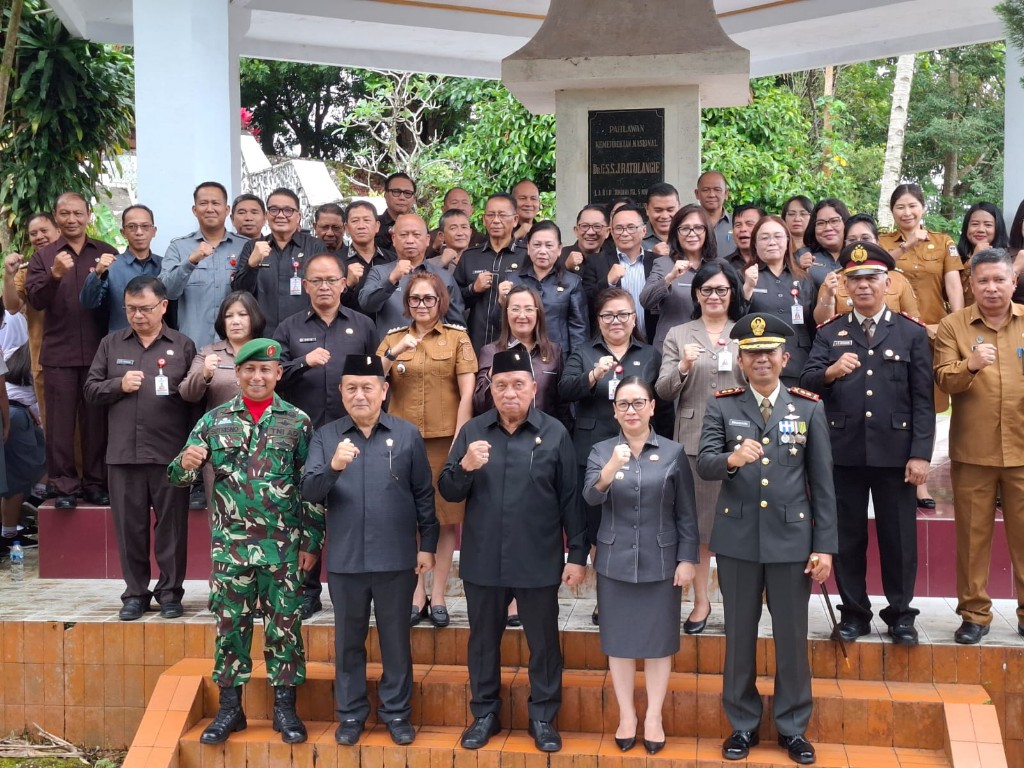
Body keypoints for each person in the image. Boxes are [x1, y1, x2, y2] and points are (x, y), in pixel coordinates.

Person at [168, 338, 325, 745]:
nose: (258, 377)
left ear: (277, 374)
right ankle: (229, 709)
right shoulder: (213, 421)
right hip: (231, 548)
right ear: (237, 374)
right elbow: (178, 477)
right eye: (249, 370)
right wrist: (184, 465)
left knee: (285, 627)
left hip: (282, 548)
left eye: (266, 370)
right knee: (229, 627)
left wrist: (311, 541)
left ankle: (285, 710)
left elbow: (311, 488)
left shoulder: (298, 422)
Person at [697, 313, 837, 765]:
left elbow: (822, 484)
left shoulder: (808, 406)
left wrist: (825, 546)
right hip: (738, 538)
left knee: (792, 639)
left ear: (784, 357)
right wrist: (732, 459)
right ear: (740, 359)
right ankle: (742, 725)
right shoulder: (723, 405)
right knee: (739, 637)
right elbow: (705, 463)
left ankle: (793, 728)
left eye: (768, 352)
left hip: (792, 540)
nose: (761, 359)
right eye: (752, 353)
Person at [439, 349, 587, 753]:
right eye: (501, 385)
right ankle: (484, 713)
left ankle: (543, 716)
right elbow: (448, 491)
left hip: (537, 557)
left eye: (518, 385)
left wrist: (576, 554)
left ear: (534, 389)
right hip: (484, 558)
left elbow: (571, 498)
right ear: (491, 390)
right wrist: (464, 466)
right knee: (483, 642)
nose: (509, 393)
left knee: (543, 643)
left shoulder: (554, 432)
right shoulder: (473, 432)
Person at [800, 242, 934, 645]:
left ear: (887, 282)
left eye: (871, 278)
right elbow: (805, 382)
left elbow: (923, 399)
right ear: (844, 284)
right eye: (855, 279)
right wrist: (830, 373)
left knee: (899, 538)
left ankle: (900, 614)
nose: (863, 286)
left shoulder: (910, 332)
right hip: (844, 452)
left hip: (896, 453)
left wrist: (920, 454)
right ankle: (854, 612)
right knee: (847, 537)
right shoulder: (831, 332)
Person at [302, 354, 438, 746]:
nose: (359, 395)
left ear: (383, 391)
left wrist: (427, 545)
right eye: (351, 388)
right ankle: (351, 714)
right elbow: (309, 491)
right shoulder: (327, 437)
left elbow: (423, 494)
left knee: (396, 639)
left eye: (367, 387)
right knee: (348, 642)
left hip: (396, 557)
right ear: (341, 393)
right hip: (346, 560)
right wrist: (333, 468)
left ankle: (396, 713)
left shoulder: (407, 434)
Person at [583, 376, 697, 755]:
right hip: (614, 561)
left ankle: (654, 717)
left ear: (652, 407)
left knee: (659, 643)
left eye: (638, 403)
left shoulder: (673, 452)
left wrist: (687, 559)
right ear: (614, 410)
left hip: (661, 561)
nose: (630, 410)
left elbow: (686, 513)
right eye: (623, 404)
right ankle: (627, 715)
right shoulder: (602, 451)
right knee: (618, 642)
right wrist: (611, 468)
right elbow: (590, 498)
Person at [83, 276, 197, 620]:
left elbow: (193, 401)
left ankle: (170, 593)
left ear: (163, 306)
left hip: (170, 455)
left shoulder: (183, 345)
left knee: (172, 528)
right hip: (123, 454)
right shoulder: (111, 344)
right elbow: (90, 390)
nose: (138, 315)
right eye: (131, 309)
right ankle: (135, 593)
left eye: (145, 308)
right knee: (129, 528)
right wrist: (118, 384)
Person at [275, 252, 377, 617]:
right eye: (316, 281)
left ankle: (359, 587)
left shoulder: (363, 325)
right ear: (305, 286)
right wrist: (303, 362)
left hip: (352, 433)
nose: (324, 287)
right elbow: (274, 374)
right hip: (304, 434)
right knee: (307, 512)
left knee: (355, 507)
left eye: (331, 280)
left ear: (343, 283)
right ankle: (307, 589)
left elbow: (377, 378)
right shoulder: (288, 327)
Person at [934, 248, 1024, 645]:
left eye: (999, 280)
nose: (991, 288)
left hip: (1023, 451)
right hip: (973, 452)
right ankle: (974, 614)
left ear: (1013, 282)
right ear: (969, 283)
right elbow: (942, 379)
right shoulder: (953, 326)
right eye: (982, 280)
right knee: (972, 539)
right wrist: (968, 365)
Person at [558, 288, 664, 622]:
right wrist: (594, 375)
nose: (616, 321)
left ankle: (636, 592)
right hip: (592, 451)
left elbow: (663, 402)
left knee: (635, 522)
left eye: (623, 315)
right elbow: (564, 390)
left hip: (639, 451)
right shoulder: (583, 351)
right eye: (607, 315)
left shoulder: (649, 354)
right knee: (597, 526)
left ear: (634, 318)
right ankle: (606, 597)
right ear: (598, 320)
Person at [378, 272, 476, 628]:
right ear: (407, 303)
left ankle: (438, 595)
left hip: (442, 441)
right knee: (408, 520)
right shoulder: (393, 339)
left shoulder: (456, 340)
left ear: (440, 302)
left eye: (428, 299)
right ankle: (415, 592)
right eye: (415, 299)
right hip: (400, 443)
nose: (422, 305)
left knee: (445, 520)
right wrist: (394, 352)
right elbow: (373, 381)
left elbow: (467, 393)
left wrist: (459, 440)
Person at [655, 262, 745, 634]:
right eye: (706, 290)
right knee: (699, 528)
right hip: (692, 440)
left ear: (732, 294)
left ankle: (738, 602)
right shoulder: (679, 334)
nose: (713, 297)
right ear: (696, 294)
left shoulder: (744, 332)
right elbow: (662, 391)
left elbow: (760, 381)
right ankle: (701, 602)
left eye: (721, 290)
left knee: (736, 526)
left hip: (738, 441)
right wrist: (685, 367)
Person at [25, 192, 116, 509]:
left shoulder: (105, 252)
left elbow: (117, 301)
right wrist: (54, 276)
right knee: (60, 425)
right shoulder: (44, 257)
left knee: (96, 423)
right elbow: (35, 300)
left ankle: (95, 483)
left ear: (89, 215)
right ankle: (63, 487)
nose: (72, 219)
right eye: (65, 214)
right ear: (56, 216)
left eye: (78, 213)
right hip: (59, 354)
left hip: (98, 353)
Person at [880, 183, 964, 509]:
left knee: (925, 405)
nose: (907, 212)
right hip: (890, 337)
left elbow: (953, 286)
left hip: (931, 335)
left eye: (913, 206)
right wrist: (907, 246)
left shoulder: (943, 242)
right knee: (892, 403)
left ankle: (921, 481)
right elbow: (874, 267)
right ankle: (893, 474)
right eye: (900, 207)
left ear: (923, 208)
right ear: (892, 211)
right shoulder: (883, 242)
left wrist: (957, 326)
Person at [179, 291, 266, 511]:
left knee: (261, 516)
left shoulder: (267, 350)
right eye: (229, 316)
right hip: (220, 448)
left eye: (242, 314)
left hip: (263, 446)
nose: (235, 321)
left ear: (253, 317)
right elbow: (187, 393)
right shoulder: (208, 352)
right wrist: (205, 374)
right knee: (222, 519)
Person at [161, 182, 250, 348]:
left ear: (227, 209)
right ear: (194, 210)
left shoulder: (245, 246)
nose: (210, 209)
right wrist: (191, 261)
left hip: (238, 346)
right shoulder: (179, 247)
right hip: (193, 346)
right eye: (203, 203)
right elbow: (167, 292)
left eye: (216, 203)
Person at [231, 187, 329, 336]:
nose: (281, 215)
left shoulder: (314, 246)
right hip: (262, 334)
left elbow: (326, 289)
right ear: (266, 215)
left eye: (288, 210)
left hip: (306, 333)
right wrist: (251, 265)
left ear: (298, 216)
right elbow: (239, 292)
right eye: (274, 210)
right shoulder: (252, 246)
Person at [475, 284, 568, 428]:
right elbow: (479, 403)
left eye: (529, 309)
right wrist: (496, 367)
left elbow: (562, 405)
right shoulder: (491, 351)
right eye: (515, 309)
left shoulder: (554, 351)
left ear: (538, 314)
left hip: (544, 435)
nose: (522, 315)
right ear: (506, 314)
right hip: (502, 434)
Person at [360, 213, 464, 339]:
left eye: (416, 235)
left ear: (427, 240)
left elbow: (457, 326)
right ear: (393, 239)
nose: (410, 240)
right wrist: (391, 280)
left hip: (434, 355)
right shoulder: (379, 272)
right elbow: (367, 305)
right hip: (391, 354)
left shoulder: (444, 277)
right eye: (403, 235)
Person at [741, 215, 816, 386]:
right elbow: (734, 320)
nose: (772, 242)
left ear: (788, 241)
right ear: (754, 243)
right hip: (759, 363)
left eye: (778, 236)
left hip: (799, 363)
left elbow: (813, 324)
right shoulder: (744, 276)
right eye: (764, 237)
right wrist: (747, 288)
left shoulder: (804, 278)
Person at [639, 203, 720, 352]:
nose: (691, 233)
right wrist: (670, 278)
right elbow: (646, 300)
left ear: (707, 231)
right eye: (684, 228)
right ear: (676, 232)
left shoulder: (719, 266)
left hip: (710, 347)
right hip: (672, 348)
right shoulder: (663, 264)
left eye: (698, 227)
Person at [501, 221, 588, 359]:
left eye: (549, 245)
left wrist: (576, 363)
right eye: (537, 245)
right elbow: (498, 322)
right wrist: (501, 301)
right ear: (528, 248)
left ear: (559, 249)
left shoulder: (572, 282)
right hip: (519, 354)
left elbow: (579, 329)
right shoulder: (512, 280)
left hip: (558, 357)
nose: (542, 251)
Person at [813, 214, 920, 324]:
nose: (859, 244)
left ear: (877, 241)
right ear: (845, 243)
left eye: (865, 238)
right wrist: (828, 296)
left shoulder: (897, 279)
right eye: (852, 239)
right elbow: (823, 324)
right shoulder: (834, 280)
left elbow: (911, 324)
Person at [4, 211, 60, 419]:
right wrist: (8, 275)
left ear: (59, 231)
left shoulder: (77, 264)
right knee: (51, 423)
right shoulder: (26, 271)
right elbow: (11, 306)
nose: (39, 237)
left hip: (77, 355)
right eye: (33, 233)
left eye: (44, 230)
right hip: (42, 356)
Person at [453, 193, 522, 352]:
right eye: (491, 215)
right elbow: (452, 301)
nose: (496, 220)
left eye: (502, 215)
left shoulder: (526, 256)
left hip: (515, 343)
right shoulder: (470, 256)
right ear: (484, 220)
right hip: (475, 341)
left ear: (515, 220)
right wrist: (473, 289)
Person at [80, 205, 163, 333]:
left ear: (154, 231)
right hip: (121, 344)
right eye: (132, 227)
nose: (139, 232)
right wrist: (97, 273)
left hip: (159, 344)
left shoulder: (164, 265)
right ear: (123, 233)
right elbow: (88, 302)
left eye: (145, 226)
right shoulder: (111, 267)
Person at [581, 205, 658, 341]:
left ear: (644, 230)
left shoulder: (657, 262)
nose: (624, 233)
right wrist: (608, 282)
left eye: (631, 227)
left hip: (652, 341)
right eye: (619, 228)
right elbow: (585, 303)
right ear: (611, 231)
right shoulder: (596, 261)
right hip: (610, 343)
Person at [0, 318, 44, 553]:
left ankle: (32, 501)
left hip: (16, 412)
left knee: (43, 457)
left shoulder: (16, 352)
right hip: (16, 417)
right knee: (17, 478)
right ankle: (9, 533)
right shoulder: (37, 359)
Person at [340, 200, 396, 314]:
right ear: (346, 228)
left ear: (377, 226)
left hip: (388, 329)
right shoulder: (335, 262)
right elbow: (327, 304)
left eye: (367, 220)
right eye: (355, 221)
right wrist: (348, 285)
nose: (361, 226)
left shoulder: (393, 260)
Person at [955, 202, 1009, 305]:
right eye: (974, 224)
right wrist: (972, 261)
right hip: (961, 318)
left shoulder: (1009, 257)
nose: (980, 229)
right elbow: (949, 292)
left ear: (997, 228)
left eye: (988, 225)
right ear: (966, 227)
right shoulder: (954, 255)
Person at [425, 188, 486, 261]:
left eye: (465, 203)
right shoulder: (431, 237)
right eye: (454, 203)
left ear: (472, 209)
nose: (460, 208)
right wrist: (434, 248)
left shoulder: (481, 239)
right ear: (443, 209)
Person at [802, 198, 850, 289]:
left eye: (834, 221)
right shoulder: (801, 256)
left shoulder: (857, 254)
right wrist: (798, 270)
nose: (828, 228)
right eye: (820, 223)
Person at [559, 205, 611, 275]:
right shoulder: (559, 255)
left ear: (607, 232)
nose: (590, 232)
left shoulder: (613, 260)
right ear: (576, 231)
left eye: (597, 226)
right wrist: (566, 268)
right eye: (585, 226)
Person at [694, 171, 733, 259]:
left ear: (726, 193)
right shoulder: (687, 225)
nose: (711, 195)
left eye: (717, 190)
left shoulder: (737, 224)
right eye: (705, 190)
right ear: (697, 194)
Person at [376, 172, 418, 252]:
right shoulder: (373, 224)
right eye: (396, 192)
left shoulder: (419, 226)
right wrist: (389, 234)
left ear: (414, 199)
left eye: (407, 193)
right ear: (385, 196)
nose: (402, 197)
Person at [426, 208, 476, 274]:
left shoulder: (481, 260)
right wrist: (442, 263)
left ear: (470, 232)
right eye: (453, 228)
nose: (460, 233)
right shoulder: (429, 264)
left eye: (464, 227)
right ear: (441, 236)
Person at [723, 204, 765, 276]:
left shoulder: (774, 261)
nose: (743, 229)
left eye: (749, 224)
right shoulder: (724, 265)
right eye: (738, 225)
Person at [642, 182, 681, 256]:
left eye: (670, 210)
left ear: (679, 207)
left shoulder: (690, 235)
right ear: (647, 209)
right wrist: (651, 257)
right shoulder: (636, 238)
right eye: (658, 210)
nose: (665, 216)